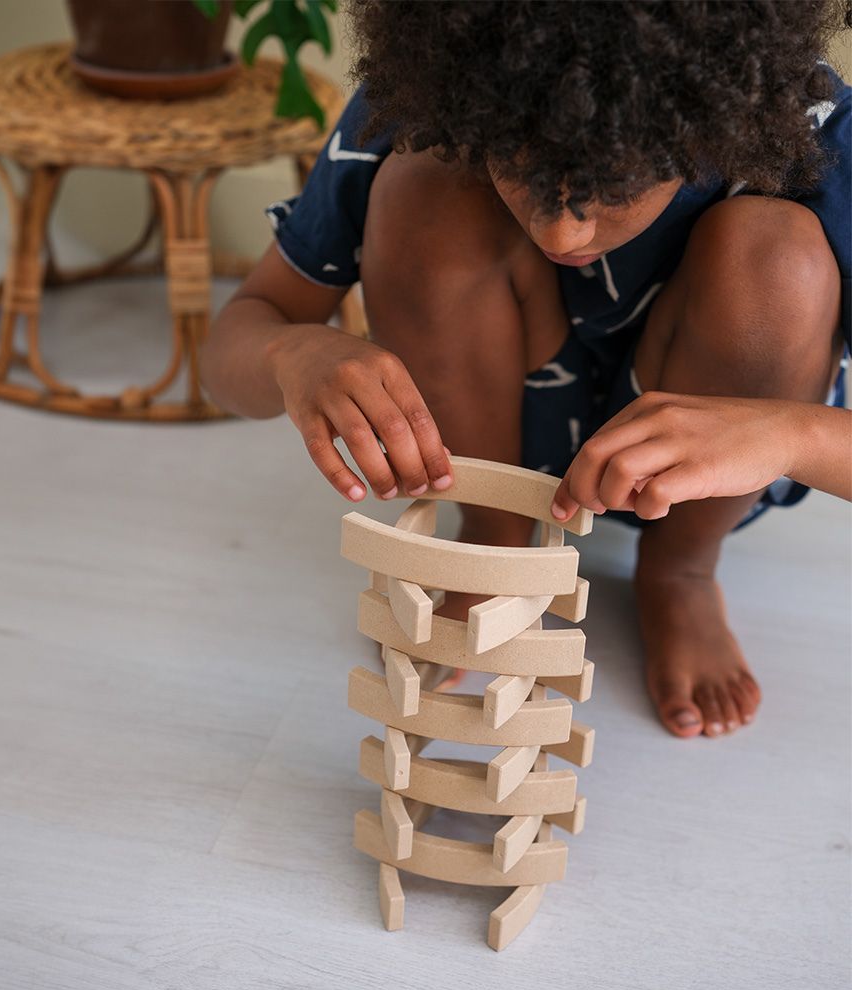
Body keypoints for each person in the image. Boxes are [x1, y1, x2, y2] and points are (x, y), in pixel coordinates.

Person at [201, 1, 851, 740]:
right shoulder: (430, 88)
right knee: (425, 183)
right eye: (520, 168)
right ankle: (494, 535)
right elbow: (230, 351)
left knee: (779, 254)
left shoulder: (816, 131)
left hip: (711, 455)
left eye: (615, 187)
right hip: (501, 424)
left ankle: (680, 569)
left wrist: (793, 437)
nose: (561, 231)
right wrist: (292, 352)